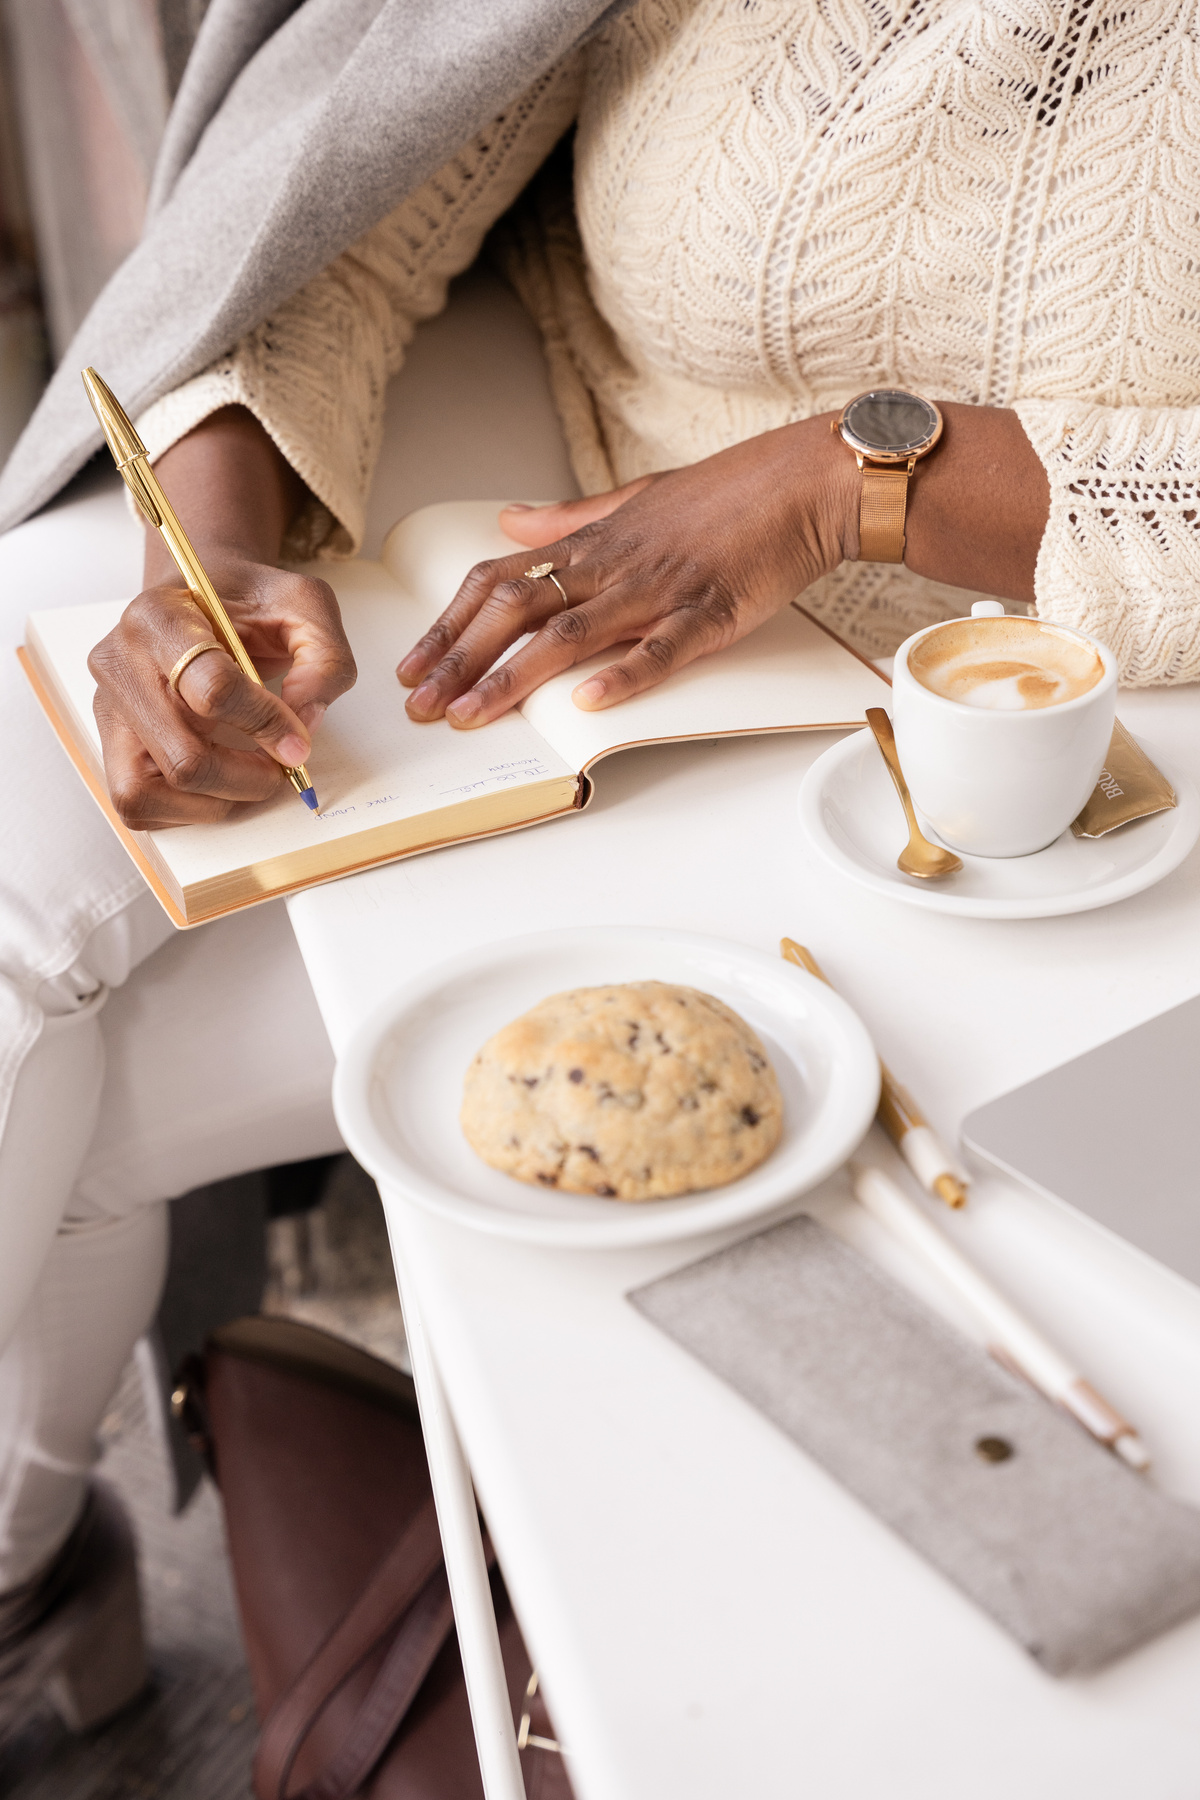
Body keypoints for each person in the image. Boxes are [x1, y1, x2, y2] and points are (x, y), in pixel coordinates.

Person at [3, 0, 1200, 1737]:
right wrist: (211, 549)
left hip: (1055, 723)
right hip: (531, 556)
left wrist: (845, 486)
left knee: (85, 1130)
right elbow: (354, 201)